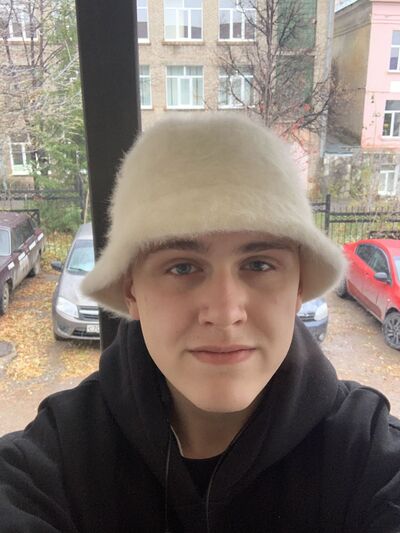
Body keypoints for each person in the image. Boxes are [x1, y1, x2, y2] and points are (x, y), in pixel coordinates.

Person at [0, 114, 399, 533]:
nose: (225, 312)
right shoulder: (59, 457)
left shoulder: (367, 454)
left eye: (259, 264)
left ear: (299, 286)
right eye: (183, 267)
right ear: (131, 289)